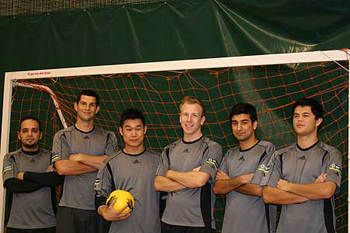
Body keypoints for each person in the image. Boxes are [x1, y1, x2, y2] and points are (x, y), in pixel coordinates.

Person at [262, 98, 342, 233]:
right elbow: (269, 195)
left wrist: (288, 186)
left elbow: (327, 191)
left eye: (305, 115)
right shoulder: (279, 155)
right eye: (296, 116)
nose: (299, 119)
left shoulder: (331, 153)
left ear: (318, 121)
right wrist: (312, 191)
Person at [52, 90, 118, 233]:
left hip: (99, 208)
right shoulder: (62, 136)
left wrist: (80, 157)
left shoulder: (108, 136)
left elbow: (113, 166)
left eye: (92, 105)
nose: (87, 108)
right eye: (83, 103)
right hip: (69, 208)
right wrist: (100, 163)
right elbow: (62, 168)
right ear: (76, 106)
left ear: (97, 109)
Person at [155, 96, 222, 233]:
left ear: (202, 120)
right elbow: (158, 184)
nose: (189, 120)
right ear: (180, 117)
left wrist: (171, 174)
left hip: (199, 224)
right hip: (169, 222)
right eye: (185, 114)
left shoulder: (212, 148)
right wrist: (189, 178)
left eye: (194, 115)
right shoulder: (169, 149)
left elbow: (199, 180)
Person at [95, 108, 161, 233]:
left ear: (145, 129)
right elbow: (99, 198)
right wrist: (104, 212)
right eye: (129, 129)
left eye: (138, 128)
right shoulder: (110, 163)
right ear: (121, 131)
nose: (134, 134)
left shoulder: (159, 160)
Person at [213, 103, 276, 233]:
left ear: (254, 125)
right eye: (235, 123)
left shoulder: (267, 149)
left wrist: (229, 181)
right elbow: (218, 188)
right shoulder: (230, 154)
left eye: (244, 122)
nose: (239, 128)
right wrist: (241, 179)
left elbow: (259, 189)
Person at [2, 116, 62, 233]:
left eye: (34, 130)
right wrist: (44, 178)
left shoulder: (51, 156)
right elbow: (12, 185)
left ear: (40, 135)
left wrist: (25, 175)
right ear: (19, 135)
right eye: (25, 131)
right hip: (17, 226)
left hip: (47, 225)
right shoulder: (11, 157)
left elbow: (56, 179)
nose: (30, 134)